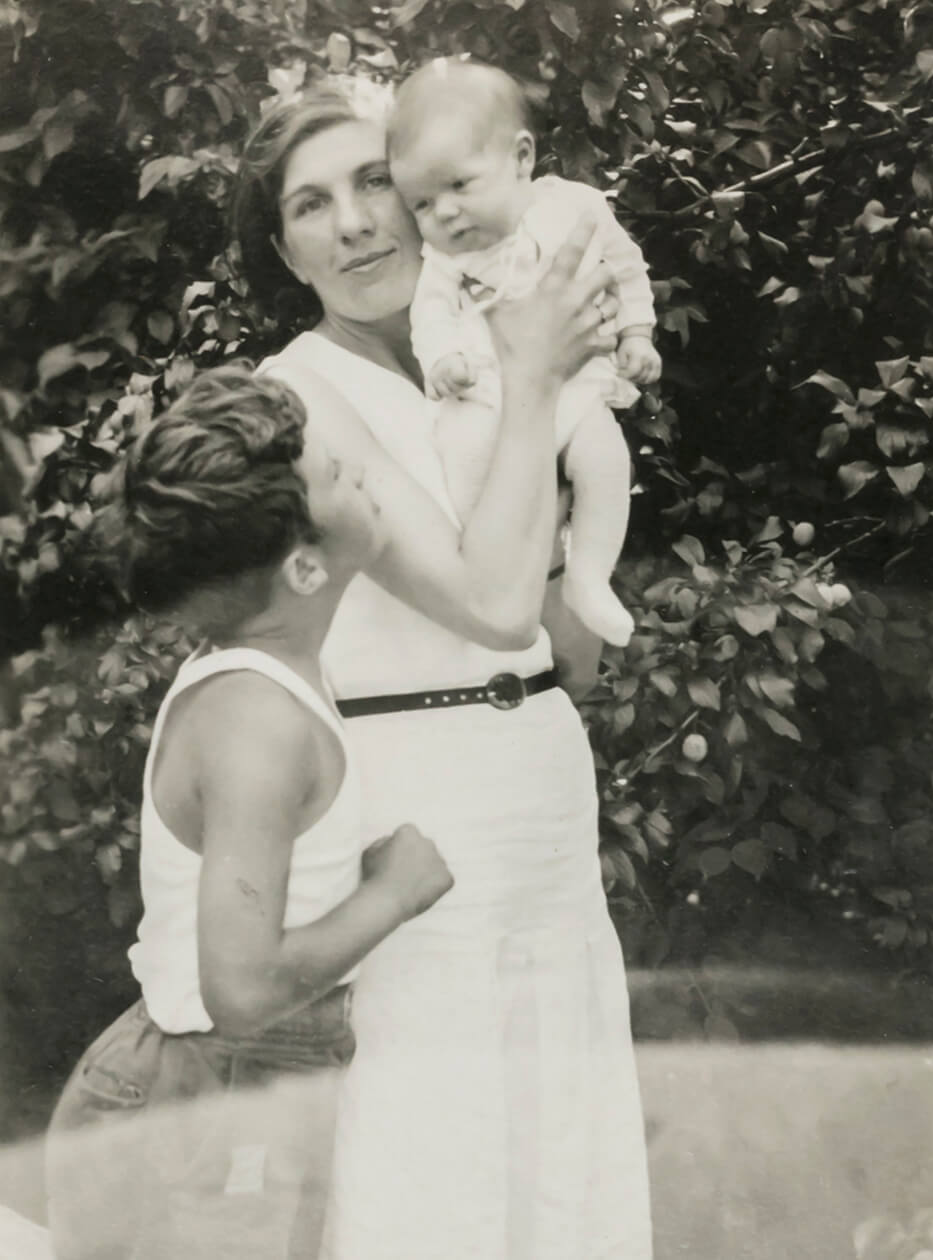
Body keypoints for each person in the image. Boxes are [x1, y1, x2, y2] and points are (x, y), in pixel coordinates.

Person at [234, 78, 652, 1260]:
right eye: (312, 206)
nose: (357, 222)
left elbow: (557, 636)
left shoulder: (485, 340)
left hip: (538, 789)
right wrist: (531, 381)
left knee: (562, 1142)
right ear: (284, 248)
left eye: (376, 183)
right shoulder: (294, 398)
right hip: (412, 806)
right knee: (436, 1148)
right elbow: (486, 602)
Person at [44, 365, 454, 1260]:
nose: (358, 471)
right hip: (210, 1098)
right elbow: (240, 991)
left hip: (230, 1090)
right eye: (335, 477)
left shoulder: (270, 680)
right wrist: (396, 893)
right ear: (304, 566)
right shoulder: (258, 726)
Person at [387, 58, 662, 648]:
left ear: (521, 158)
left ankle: (588, 576)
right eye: (422, 205)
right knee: (459, 457)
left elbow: (627, 267)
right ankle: (475, 566)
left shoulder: (576, 209)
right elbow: (428, 314)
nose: (446, 213)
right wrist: (441, 362)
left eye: (459, 185)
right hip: (486, 395)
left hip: (578, 387)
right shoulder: (444, 259)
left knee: (606, 464)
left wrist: (637, 333)